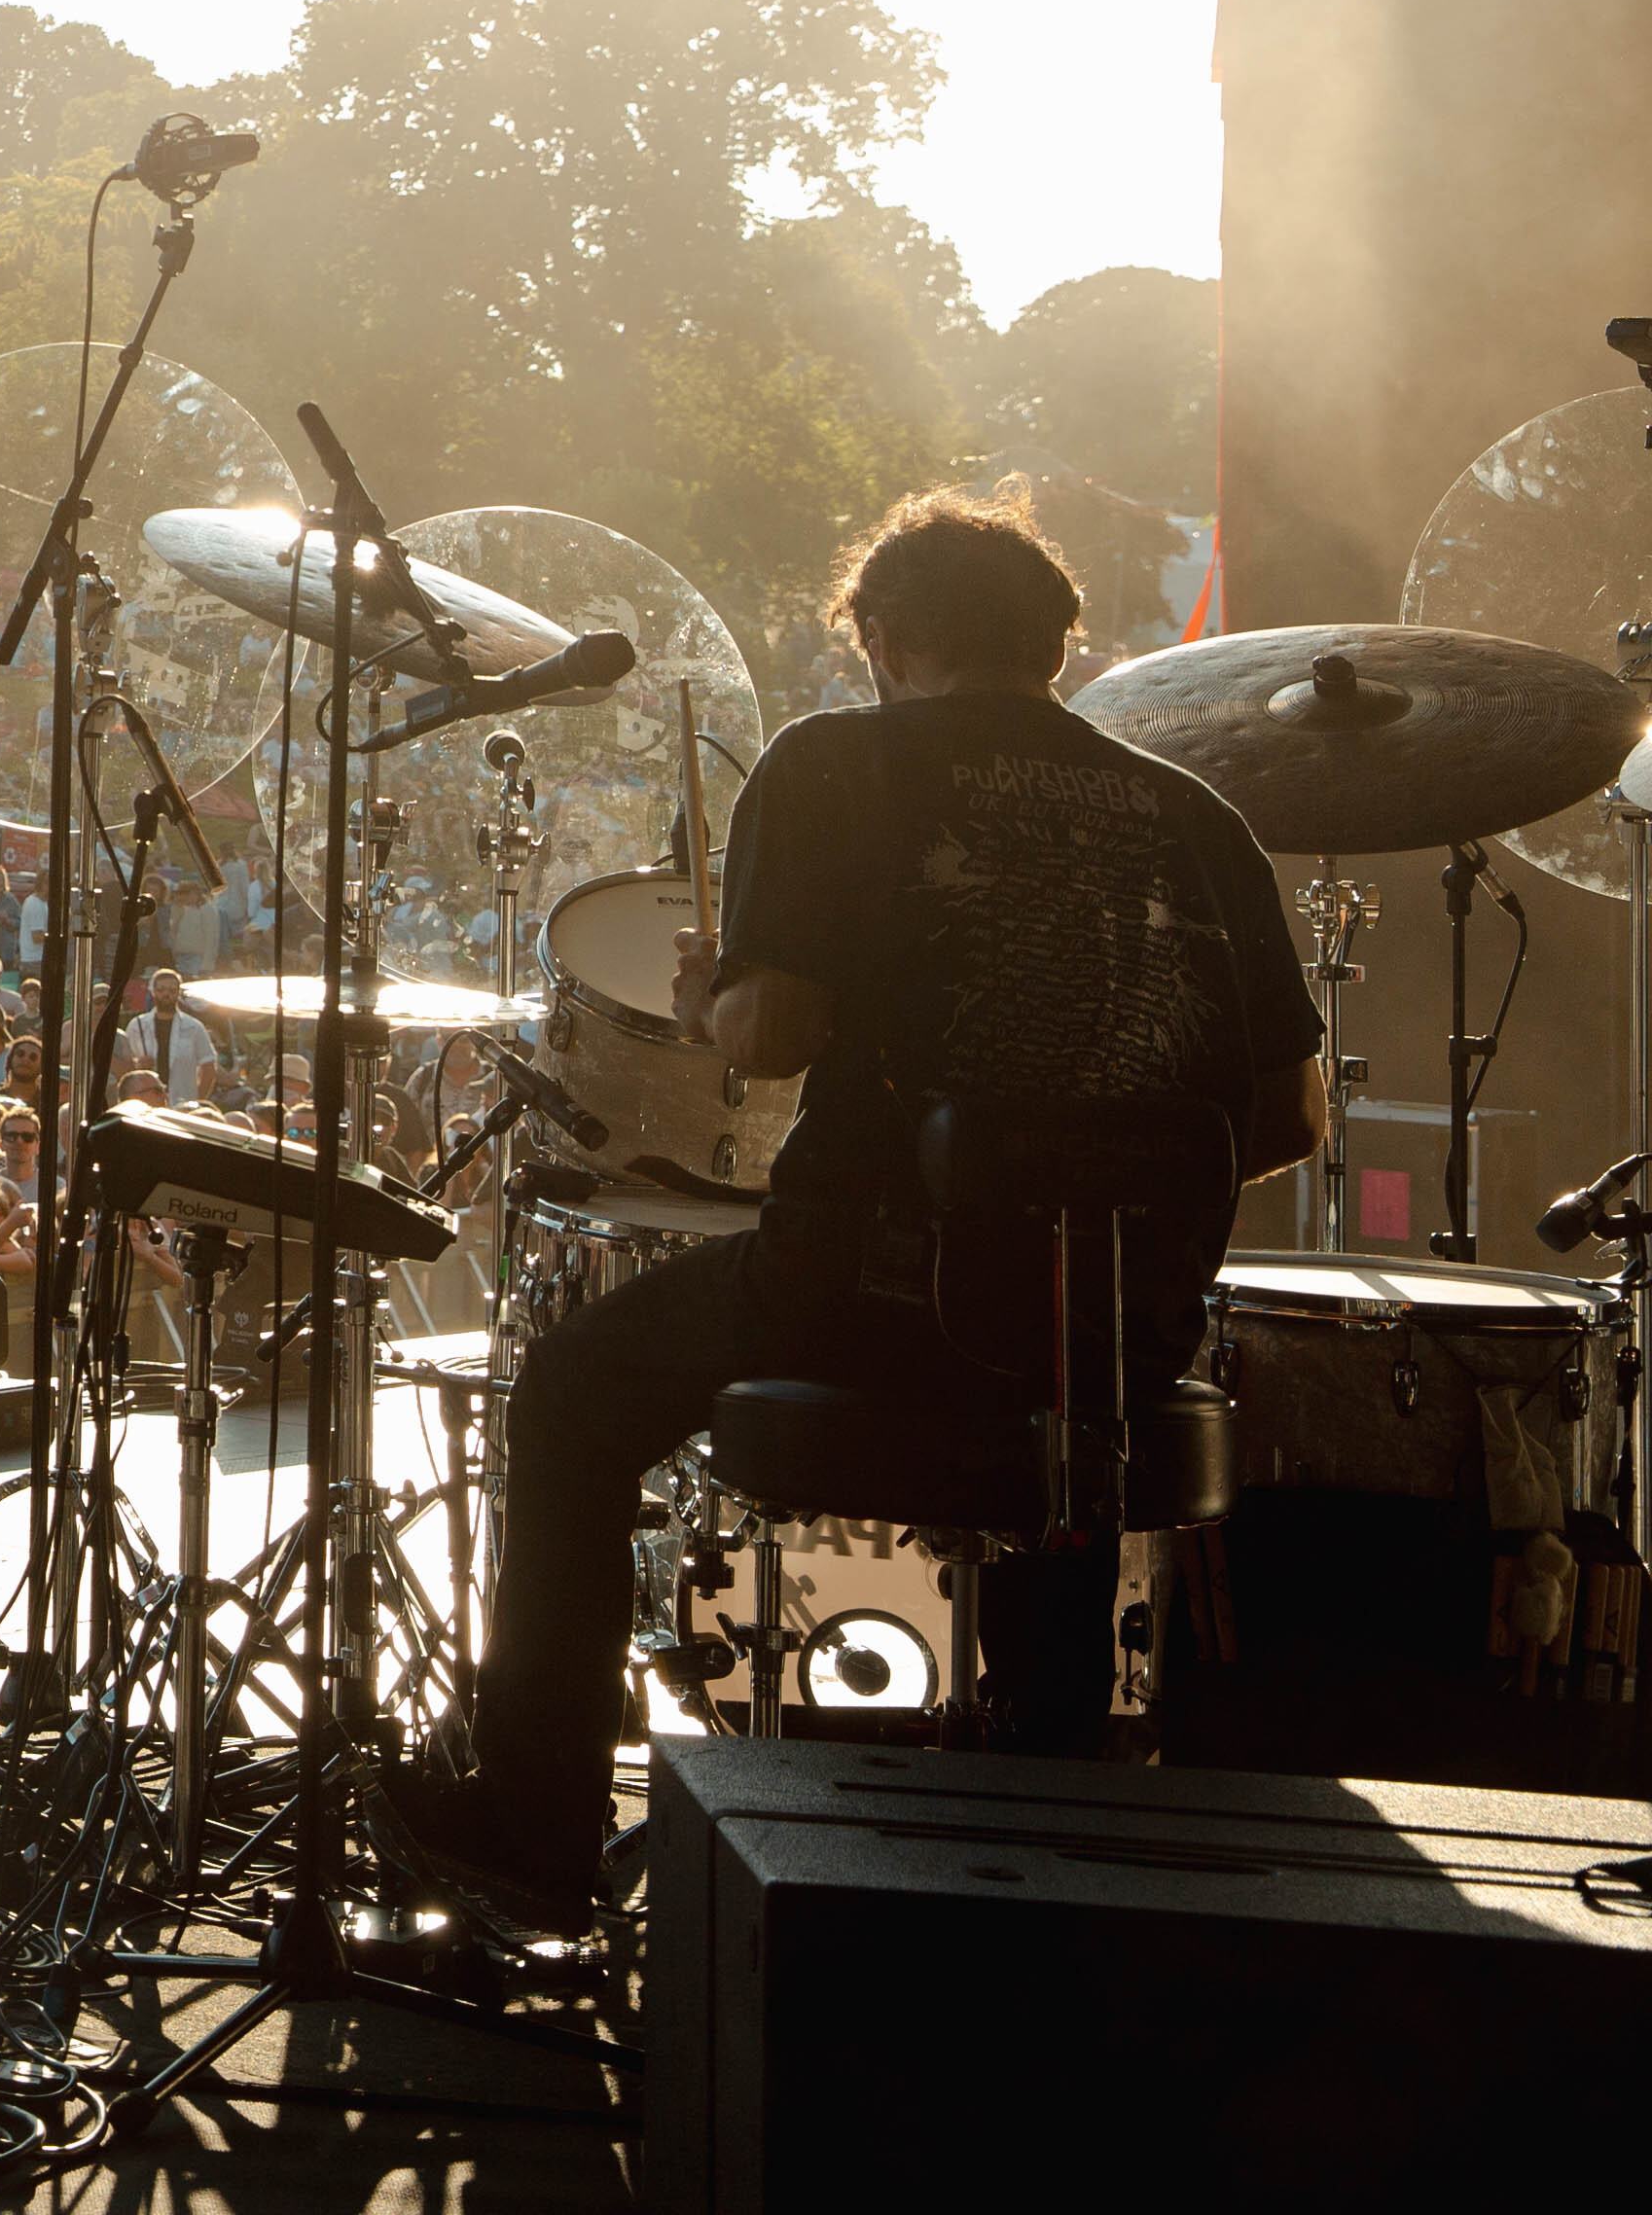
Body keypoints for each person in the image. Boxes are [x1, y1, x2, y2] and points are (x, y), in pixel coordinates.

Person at [389, 497, 1321, 1931]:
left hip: (870, 1286)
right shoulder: (1199, 819)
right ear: (1059, 646)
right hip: (1115, 1338)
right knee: (1040, 1410)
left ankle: (532, 1829)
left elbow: (774, 1034)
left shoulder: (836, 764)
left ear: (885, 640)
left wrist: (713, 1000)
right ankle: (1047, 1830)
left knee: (571, 1395)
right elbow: (1292, 1121)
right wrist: (1083, 1190)